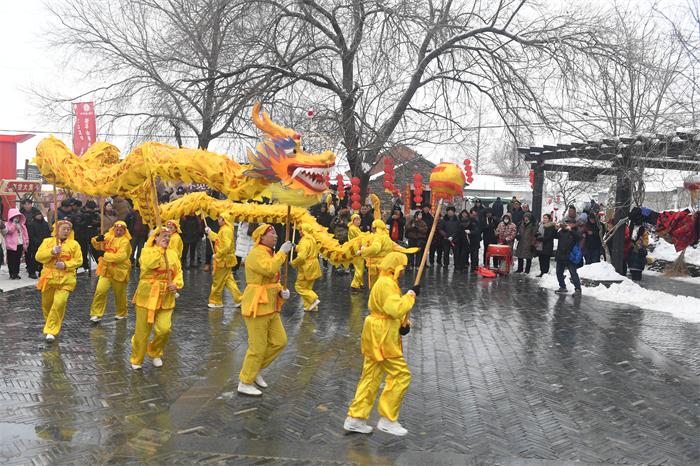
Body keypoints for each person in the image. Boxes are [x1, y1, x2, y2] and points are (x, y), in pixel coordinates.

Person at [344, 252, 417, 437]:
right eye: (403, 267)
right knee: (401, 375)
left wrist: (404, 324)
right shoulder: (386, 284)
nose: (404, 270)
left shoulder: (385, 281)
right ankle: (387, 418)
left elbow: (390, 310)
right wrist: (410, 296)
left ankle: (356, 418)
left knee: (371, 376)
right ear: (396, 267)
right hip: (382, 336)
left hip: (377, 332)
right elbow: (395, 308)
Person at [237, 224, 293, 396]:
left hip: (270, 306)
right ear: (261, 237)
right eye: (272, 233)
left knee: (280, 341)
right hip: (257, 306)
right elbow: (269, 269)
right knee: (257, 347)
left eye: (275, 233)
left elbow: (271, 279)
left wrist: (281, 292)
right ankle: (245, 381)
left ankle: (254, 370)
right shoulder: (255, 253)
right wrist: (283, 253)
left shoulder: (270, 253)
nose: (276, 236)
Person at [130, 227, 184, 369]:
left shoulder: (172, 254)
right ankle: (137, 359)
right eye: (163, 236)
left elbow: (178, 272)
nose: (167, 238)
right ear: (154, 237)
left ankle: (155, 351)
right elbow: (149, 264)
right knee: (142, 331)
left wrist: (177, 284)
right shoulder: (146, 251)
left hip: (166, 297)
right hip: (146, 296)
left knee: (164, 329)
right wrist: (160, 250)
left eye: (168, 236)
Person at [35, 220, 83, 341]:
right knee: (47, 305)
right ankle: (51, 324)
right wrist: (51, 252)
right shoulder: (47, 242)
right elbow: (38, 257)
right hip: (49, 278)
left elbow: (79, 260)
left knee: (59, 303)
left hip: (66, 280)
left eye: (68, 229)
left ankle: (51, 330)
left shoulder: (74, 244)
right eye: (63, 229)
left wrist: (66, 265)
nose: (66, 231)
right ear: (56, 230)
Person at [89, 221, 132, 322]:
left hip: (119, 271)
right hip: (106, 270)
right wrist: (97, 240)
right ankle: (96, 314)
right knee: (100, 291)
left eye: (121, 230)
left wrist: (105, 255)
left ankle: (122, 312)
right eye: (117, 229)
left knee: (119, 294)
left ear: (124, 231)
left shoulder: (125, 242)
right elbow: (97, 246)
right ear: (113, 229)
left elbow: (120, 257)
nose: (118, 231)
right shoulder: (108, 236)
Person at [205, 214, 242, 309]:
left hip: (223, 260)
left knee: (218, 281)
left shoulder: (225, 230)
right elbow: (218, 239)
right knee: (229, 280)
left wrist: (217, 255)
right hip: (226, 260)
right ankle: (239, 299)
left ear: (224, 219)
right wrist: (210, 232)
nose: (218, 220)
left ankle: (216, 301)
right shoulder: (225, 229)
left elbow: (226, 246)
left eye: (220, 218)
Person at [291, 224, 322, 311]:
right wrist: (295, 247)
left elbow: (301, 257)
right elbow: (305, 250)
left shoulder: (305, 240)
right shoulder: (311, 239)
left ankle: (314, 299)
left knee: (299, 286)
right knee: (308, 287)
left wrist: (293, 263)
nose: (299, 231)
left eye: (301, 230)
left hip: (307, 266)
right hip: (314, 265)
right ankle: (311, 306)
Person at [361, 220, 400, 288]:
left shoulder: (378, 237)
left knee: (375, 287)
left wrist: (363, 251)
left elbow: (375, 248)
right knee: (384, 285)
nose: (371, 228)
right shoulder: (386, 236)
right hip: (385, 264)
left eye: (372, 227)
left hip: (376, 266)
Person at [554, 218, 582, 294]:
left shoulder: (576, 231)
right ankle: (562, 287)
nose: (567, 224)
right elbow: (554, 236)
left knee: (573, 273)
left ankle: (578, 289)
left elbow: (579, 237)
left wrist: (571, 230)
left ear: (573, 224)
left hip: (570, 256)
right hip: (561, 255)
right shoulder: (562, 231)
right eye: (566, 223)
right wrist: (555, 229)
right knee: (559, 272)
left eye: (569, 223)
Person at [1, 208, 29, 279]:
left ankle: (16, 273)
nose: (17, 218)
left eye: (18, 216)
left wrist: (26, 241)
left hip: (20, 244)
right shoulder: (8, 224)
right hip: (11, 245)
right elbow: (9, 231)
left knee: (17, 259)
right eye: (15, 216)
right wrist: (14, 224)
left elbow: (25, 234)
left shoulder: (22, 225)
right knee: (11, 260)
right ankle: (12, 273)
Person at [76, 200, 101, 273]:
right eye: (90, 209)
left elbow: (99, 223)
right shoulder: (80, 213)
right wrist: (86, 220)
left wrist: (93, 222)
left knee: (96, 251)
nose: (91, 210)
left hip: (93, 234)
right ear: (86, 207)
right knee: (83, 251)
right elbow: (78, 224)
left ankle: (100, 266)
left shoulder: (95, 213)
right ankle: (85, 266)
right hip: (82, 235)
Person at [26, 211, 51, 279]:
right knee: (34, 259)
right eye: (37, 215)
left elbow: (48, 232)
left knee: (44, 259)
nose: (39, 216)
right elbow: (31, 235)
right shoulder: (31, 224)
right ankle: (32, 272)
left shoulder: (45, 224)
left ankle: (41, 271)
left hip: (45, 244)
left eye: (40, 214)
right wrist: (37, 242)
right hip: (35, 245)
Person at [348, 214, 366, 291]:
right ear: (353, 221)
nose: (358, 221)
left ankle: (360, 283)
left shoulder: (356, 228)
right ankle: (355, 285)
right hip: (356, 251)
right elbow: (361, 237)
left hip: (358, 250)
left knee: (360, 267)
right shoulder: (353, 228)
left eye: (359, 219)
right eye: (356, 220)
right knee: (359, 268)